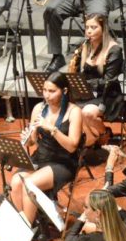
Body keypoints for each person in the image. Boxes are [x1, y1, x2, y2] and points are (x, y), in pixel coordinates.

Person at [10, 72, 83, 226]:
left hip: (63, 162)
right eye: (44, 90)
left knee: (29, 184)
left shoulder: (74, 112)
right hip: (41, 157)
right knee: (16, 182)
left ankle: (27, 230)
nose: (47, 96)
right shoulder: (39, 108)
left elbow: (72, 146)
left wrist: (52, 129)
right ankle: (27, 224)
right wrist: (29, 138)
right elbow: (32, 142)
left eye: (52, 91)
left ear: (64, 91)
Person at [72, 13, 123, 146]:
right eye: (87, 27)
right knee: (69, 109)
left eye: (93, 27)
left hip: (107, 94)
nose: (89, 31)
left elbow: (109, 80)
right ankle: (89, 139)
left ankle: (104, 133)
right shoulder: (84, 46)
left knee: (87, 112)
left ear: (103, 28)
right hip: (87, 93)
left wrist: (86, 83)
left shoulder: (114, 50)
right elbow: (77, 72)